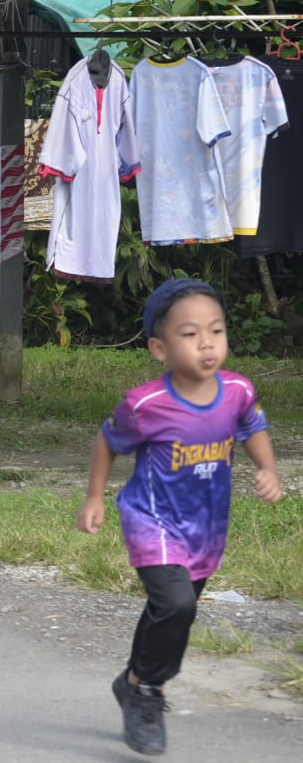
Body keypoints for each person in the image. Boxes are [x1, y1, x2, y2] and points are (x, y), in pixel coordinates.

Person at [75, 277, 283, 756]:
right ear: (159, 348)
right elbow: (108, 441)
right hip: (152, 521)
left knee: (170, 611)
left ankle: (132, 680)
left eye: (216, 330)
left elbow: (252, 427)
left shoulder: (237, 390)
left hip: (206, 527)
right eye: (190, 334)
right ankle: (149, 691)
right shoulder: (146, 404)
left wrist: (268, 469)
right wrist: (95, 496)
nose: (207, 343)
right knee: (176, 606)